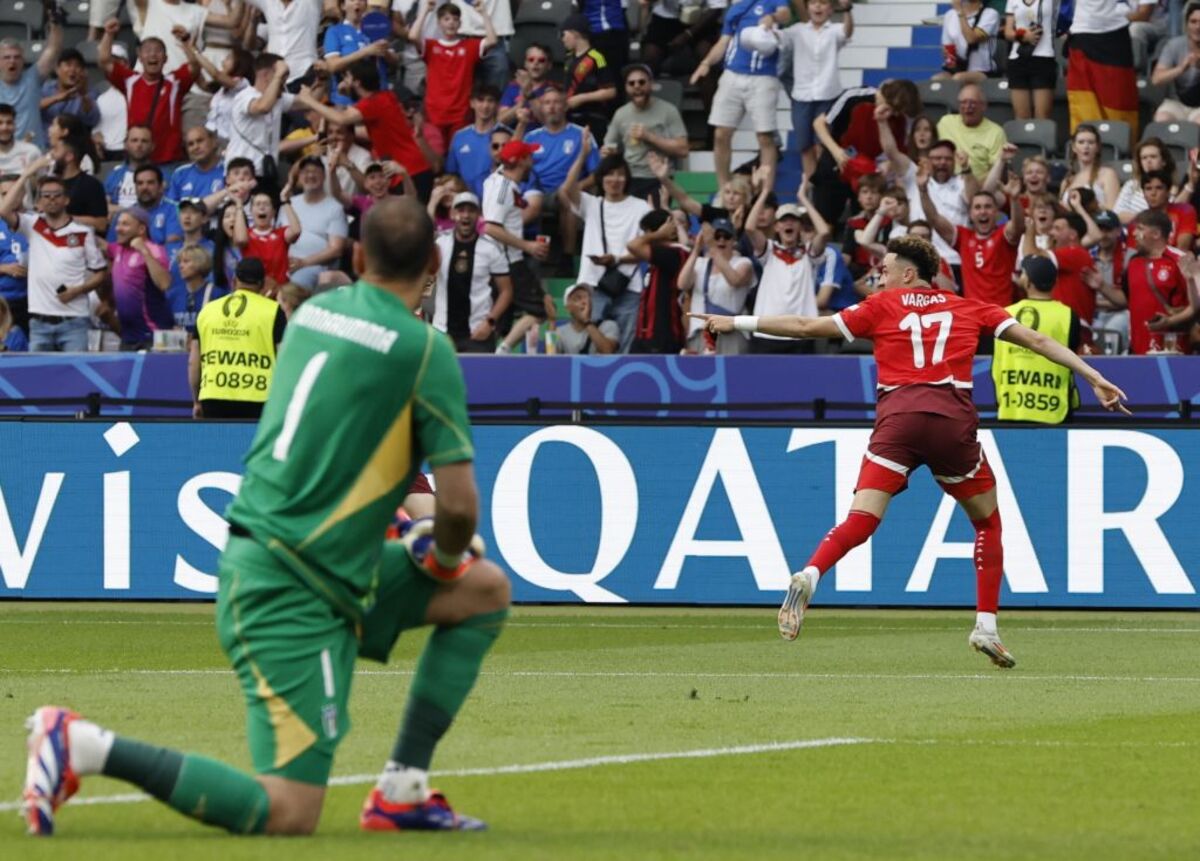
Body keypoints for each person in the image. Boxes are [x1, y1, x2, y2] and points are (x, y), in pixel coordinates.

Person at [24, 196, 509, 837]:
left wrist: (400, 531)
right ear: (434, 262)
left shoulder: (313, 315)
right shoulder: (424, 349)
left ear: (359, 254)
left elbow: (340, 443)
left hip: (309, 559)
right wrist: (441, 553)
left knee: (483, 591)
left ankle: (402, 789)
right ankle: (83, 745)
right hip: (291, 586)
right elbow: (457, 505)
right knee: (287, 812)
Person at [692, 234, 1131, 666]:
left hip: (897, 421)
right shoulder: (969, 307)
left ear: (908, 273)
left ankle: (810, 573)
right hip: (951, 423)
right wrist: (1093, 377)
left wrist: (737, 322)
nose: (878, 278)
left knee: (861, 520)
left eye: (884, 270)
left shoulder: (880, 308)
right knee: (987, 524)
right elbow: (1037, 341)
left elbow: (807, 326)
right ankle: (986, 627)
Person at [0, 162, 108, 353]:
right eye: (46, 196)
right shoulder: (32, 225)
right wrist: (26, 175)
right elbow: (4, 210)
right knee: (37, 380)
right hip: (39, 322)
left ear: (66, 200)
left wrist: (78, 290)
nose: (51, 200)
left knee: (77, 378)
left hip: (75, 321)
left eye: (57, 195)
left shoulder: (83, 232)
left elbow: (101, 273)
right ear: (39, 202)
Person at [294, 58, 435, 200]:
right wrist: (348, 93)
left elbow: (341, 119)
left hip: (408, 172)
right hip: (413, 169)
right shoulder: (386, 96)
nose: (344, 81)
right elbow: (360, 110)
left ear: (357, 81)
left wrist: (309, 100)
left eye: (347, 77)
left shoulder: (372, 104)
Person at [560, 142, 652, 353]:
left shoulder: (641, 207)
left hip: (629, 286)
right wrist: (583, 155)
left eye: (620, 174)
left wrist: (617, 259)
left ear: (627, 178)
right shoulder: (592, 204)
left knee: (624, 350)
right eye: (609, 174)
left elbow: (646, 250)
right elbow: (566, 188)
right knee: (589, 343)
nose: (615, 180)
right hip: (592, 285)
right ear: (600, 179)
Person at [690, 0, 789, 190]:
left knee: (765, 137)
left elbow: (785, 13)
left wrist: (773, 17)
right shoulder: (736, 8)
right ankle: (724, 188)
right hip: (733, 74)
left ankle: (766, 192)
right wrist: (706, 63)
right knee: (721, 134)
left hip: (764, 76)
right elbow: (723, 41)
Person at [187, 256, 286, 418]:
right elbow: (284, 359)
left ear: (234, 281)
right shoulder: (273, 311)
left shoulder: (207, 311)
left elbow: (193, 361)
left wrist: (197, 401)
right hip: (259, 397)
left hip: (214, 394)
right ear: (262, 284)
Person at [743, 181, 832, 354]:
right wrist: (765, 192)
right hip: (767, 333)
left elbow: (824, 232)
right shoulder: (768, 250)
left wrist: (803, 199)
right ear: (776, 226)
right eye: (783, 220)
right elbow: (749, 227)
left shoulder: (808, 252)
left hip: (801, 332)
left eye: (793, 220)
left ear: (800, 226)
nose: (788, 224)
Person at [992, 255, 1082, 423]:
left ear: (1028, 281)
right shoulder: (1068, 315)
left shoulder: (1004, 313)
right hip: (1054, 408)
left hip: (1011, 407)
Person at [482, 139, 553, 345]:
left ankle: (494, 359)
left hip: (499, 261)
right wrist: (528, 246)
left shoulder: (497, 180)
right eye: (529, 156)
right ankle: (503, 351)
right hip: (508, 262)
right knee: (541, 309)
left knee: (500, 320)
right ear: (522, 161)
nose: (532, 160)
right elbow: (490, 227)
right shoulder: (503, 189)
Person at [923, 171, 1026, 309]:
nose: (983, 211)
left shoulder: (1003, 235)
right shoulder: (963, 237)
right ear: (971, 214)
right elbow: (934, 219)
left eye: (988, 207)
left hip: (1002, 313)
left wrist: (1014, 199)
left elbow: (1018, 226)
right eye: (977, 207)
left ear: (996, 212)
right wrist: (922, 190)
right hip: (973, 314)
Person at [98, 19, 194, 164]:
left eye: (158, 51)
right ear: (140, 57)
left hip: (169, 160)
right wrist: (108, 34)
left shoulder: (175, 82)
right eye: (147, 51)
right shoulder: (129, 81)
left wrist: (186, 42)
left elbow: (195, 66)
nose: (153, 55)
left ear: (166, 58)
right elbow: (104, 61)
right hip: (137, 160)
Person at [409, 0, 499, 149]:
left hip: (460, 113)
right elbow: (412, 36)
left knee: (457, 154)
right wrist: (425, 11)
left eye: (455, 19)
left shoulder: (469, 46)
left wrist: (483, 13)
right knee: (437, 156)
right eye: (446, 19)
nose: (451, 23)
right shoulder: (431, 46)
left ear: (460, 23)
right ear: (439, 23)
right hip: (434, 112)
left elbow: (492, 40)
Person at [781, 0, 854, 179]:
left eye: (823, 3)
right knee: (804, 145)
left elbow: (847, 32)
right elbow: (778, 38)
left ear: (830, 9)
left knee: (822, 144)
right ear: (807, 8)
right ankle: (812, 184)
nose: (818, 7)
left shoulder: (834, 29)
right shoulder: (797, 30)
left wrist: (847, 10)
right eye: (813, 3)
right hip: (802, 96)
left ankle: (824, 183)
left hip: (828, 95)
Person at [432, 191, 513, 352]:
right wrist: (420, 308)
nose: (466, 216)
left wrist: (490, 322)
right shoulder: (440, 244)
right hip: (442, 332)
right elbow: (428, 278)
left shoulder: (491, 248)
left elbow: (506, 291)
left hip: (477, 333)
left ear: (478, 215)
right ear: (453, 214)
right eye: (461, 210)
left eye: (471, 211)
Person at [527, 85, 600, 259]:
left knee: (567, 197)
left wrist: (576, 187)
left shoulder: (582, 134)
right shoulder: (530, 137)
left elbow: (598, 174)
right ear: (541, 108)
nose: (551, 107)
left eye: (557, 102)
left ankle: (567, 258)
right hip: (536, 192)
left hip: (568, 191)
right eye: (547, 103)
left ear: (565, 106)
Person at [1067, 0, 1155, 138]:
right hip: (1081, 36)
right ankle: (1083, 151)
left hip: (1115, 38)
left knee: (1119, 106)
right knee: (1085, 108)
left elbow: (1145, 12)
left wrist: (1115, 18)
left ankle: (1123, 151)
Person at [602, 64, 689, 199]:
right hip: (629, 178)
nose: (637, 86)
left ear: (651, 84)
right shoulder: (621, 113)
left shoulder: (668, 110)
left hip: (659, 177)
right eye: (631, 83)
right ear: (626, 88)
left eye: (642, 82)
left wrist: (650, 137)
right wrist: (608, 152)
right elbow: (609, 145)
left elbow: (683, 149)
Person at [680, 218, 755, 354]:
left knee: (734, 374)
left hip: (731, 333)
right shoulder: (700, 263)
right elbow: (682, 284)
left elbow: (735, 280)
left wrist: (712, 248)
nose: (721, 241)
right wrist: (696, 250)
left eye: (726, 237)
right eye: (716, 237)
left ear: (733, 241)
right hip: (702, 332)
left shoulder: (743, 263)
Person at [1125, 208, 1195, 353]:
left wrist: (1169, 321)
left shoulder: (1180, 259)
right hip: (1138, 348)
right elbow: (1127, 300)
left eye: (1140, 229)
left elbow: (1197, 304)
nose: (1134, 233)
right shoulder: (1133, 263)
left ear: (1156, 234)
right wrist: (1101, 286)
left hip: (1173, 349)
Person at [109, 207, 175, 350]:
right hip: (127, 336)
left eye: (125, 224)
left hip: (152, 335)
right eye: (118, 223)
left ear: (141, 229)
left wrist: (144, 251)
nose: (118, 228)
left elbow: (165, 283)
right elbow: (97, 244)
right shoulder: (118, 249)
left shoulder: (154, 250)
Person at [279, 157, 349, 291]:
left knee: (294, 286)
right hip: (284, 264)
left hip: (315, 266)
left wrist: (303, 263)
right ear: (299, 177)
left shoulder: (334, 207)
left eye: (315, 172)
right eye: (305, 172)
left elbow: (336, 249)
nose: (310, 175)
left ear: (324, 176)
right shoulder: (289, 204)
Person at [626, 207, 690, 353]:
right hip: (645, 335)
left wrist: (658, 234)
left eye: (647, 232)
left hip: (663, 336)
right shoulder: (657, 257)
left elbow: (632, 246)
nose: (645, 237)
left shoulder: (674, 254)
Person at [0, 22, 64, 149]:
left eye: (17, 57)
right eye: (7, 57)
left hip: (33, 153)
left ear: (23, 60)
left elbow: (54, 49)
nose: (12, 61)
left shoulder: (32, 78)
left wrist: (55, 21)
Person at [559, 15, 619, 143]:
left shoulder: (597, 57)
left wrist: (581, 98)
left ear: (575, 33)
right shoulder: (568, 58)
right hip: (569, 117)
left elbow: (610, 91)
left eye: (564, 34)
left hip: (592, 118)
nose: (562, 39)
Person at [936, 84, 1007, 182]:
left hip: (979, 186)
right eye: (963, 102)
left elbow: (996, 171)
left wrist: (974, 188)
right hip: (945, 183)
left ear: (983, 106)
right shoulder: (945, 122)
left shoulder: (996, 132)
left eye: (972, 102)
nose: (967, 106)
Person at [445, 84, 506, 199]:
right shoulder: (459, 136)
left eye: (490, 101)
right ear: (472, 103)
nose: (485, 106)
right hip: (465, 202)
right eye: (480, 100)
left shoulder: (507, 136)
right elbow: (451, 173)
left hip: (496, 198)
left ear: (497, 105)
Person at [1005, 0, 1058, 120]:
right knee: (1021, 116)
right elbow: (1008, 32)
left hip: (1044, 57)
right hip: (1018, 58)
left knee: (1042, 116)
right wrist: (1023, 36)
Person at [1151, 2, 1200, 122]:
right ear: (1186, 24)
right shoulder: (1174, 45)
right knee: (1162, 119)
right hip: (1175, 102)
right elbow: (1156, 79)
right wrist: (1181, 68)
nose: (1198, 27)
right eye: (1193, 22)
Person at [934, 0, 1001, 83]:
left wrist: (960, 12)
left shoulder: (990, 14)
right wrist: (949, 58)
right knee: (937, 80)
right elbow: (947, 46)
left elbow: (971, 39)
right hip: (957, 68)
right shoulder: (950, 15)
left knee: (957, 79)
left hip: (982, 70)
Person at [1061, 124, 1121, 211]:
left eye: (1091, 142)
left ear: (1097, 147)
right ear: (1074, 147)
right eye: (1081, 142)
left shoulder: (1108, 174)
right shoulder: (1066, 181)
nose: (1086, 146)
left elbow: (1113, 210)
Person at [1114, 138, 1175, 223]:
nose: (1148, 161)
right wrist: (1145, 218)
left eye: (1153, 157)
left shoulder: (1172, 189)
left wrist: (1136, 217)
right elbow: (1117, 215)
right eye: (1144, 158)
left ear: (1164, 161)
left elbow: (1167, 217)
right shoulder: (1131, 185)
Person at [39, 49, 101, 132]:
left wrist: (84, 95)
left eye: (77, 66)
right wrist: (57, 98)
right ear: (57, 69)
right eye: (68, 64)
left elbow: (92, 120)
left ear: (82, 71)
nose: (73, 69)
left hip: (71, 142)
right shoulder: (46, 87)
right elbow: (30, 108)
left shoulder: (89, 92)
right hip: (43, 141)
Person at [554, 282, 619, 353]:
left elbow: (608, 351)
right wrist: (551, 321)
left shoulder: (608, 325)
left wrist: (586, 321)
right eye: (577, 298)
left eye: (586, 297)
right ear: (568, 308)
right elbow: (550, 360)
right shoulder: (560, 332)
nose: (583, 302)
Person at [169, 126, 227, 202]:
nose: (195, 147)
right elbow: (171, 207)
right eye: (190, 144)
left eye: (200, 141)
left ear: (214, 142)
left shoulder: (227, 169)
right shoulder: (180, 173)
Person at [0, 104, 41, 177]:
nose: (4, 127)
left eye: (9, 123)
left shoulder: (31, 152)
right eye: (0, 123)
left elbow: (43, 185)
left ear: (15, 125)